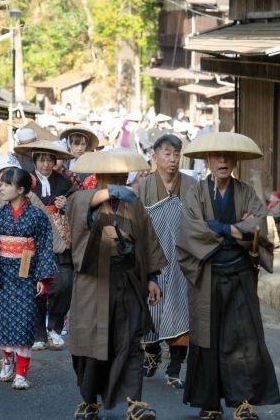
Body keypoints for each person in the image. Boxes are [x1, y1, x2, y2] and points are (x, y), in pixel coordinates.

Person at [176, 132, 280, 420]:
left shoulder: (246, 191)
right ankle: (210, 403)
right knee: (207, 339)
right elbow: (191, 231)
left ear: (235, 161)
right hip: (207, 274)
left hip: (240, 275)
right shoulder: (195, 193)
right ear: (208, 161)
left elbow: (258, 228)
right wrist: (237, 228)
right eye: (216, 157)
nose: (222, 161)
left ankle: (243, 403)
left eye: (228, 156)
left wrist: (220, 227)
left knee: (243, 339)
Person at [67, 150, 167, 420]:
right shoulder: (81, 199)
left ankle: (136, 402)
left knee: (131, 341)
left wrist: (153, 277)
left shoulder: (133, 203)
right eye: (113, 178)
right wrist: (110, 192)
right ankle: (89, 402)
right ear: (99, 177)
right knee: (91, 343)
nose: (120, 181)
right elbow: (80, 208)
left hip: (126, 280)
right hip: (93, 283)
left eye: (123, 177)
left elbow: (147, 242)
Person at [0, 168, 55, 391]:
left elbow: (45, 247)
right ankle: (7, 360)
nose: (2, 188)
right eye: (0, 184)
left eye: (6, 184)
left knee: (24, 323)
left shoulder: (37, 216)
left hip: (27, 276)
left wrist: (42, 278)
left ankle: (22, 373)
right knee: (3, 321)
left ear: (21, 189)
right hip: (3, 274)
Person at [136, 134, 197, 389]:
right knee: (150, 310)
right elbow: (137, 225)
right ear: (155, 157)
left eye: (176, 154)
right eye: (167, 154)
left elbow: (199, 223)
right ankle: (151, 353)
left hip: (183, 258)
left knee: (182, 312)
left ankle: (175, 369)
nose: (172, 159)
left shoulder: (193, 185)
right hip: (153, 259)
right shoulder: (143, 187)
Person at [14, 139, 76, 351]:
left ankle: (55, 327)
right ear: (34, 161)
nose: (46, 164)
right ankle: (38, 331)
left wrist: (66, 206)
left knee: (64, 284)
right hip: (33, 239)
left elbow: (77, 205)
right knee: (34, 286)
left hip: (60, 239)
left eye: (50, 160)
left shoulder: (65, 181)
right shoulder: (25, 180)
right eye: (41, 160)